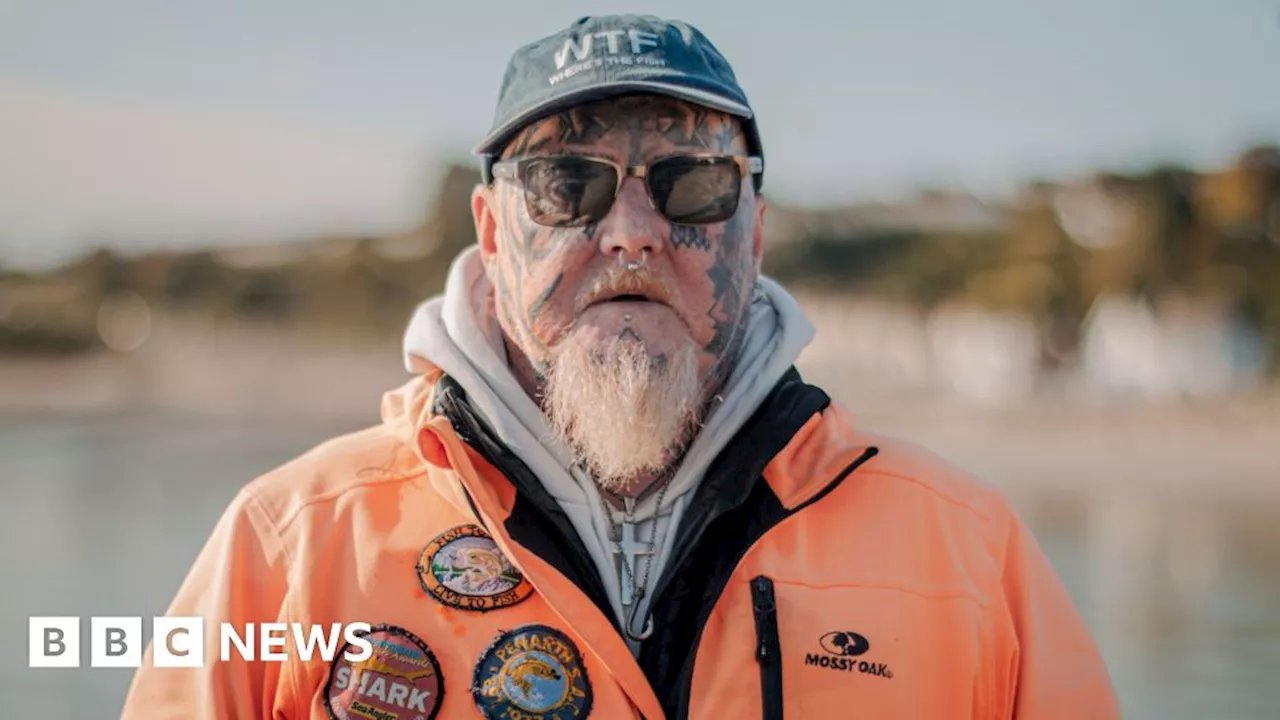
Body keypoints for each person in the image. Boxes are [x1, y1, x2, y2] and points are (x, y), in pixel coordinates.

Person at [121, 13, 1119, 720]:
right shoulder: (282, 549)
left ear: (755, 230)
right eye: (567, 184)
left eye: (691, 187)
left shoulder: (968, 557)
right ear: (491, 231)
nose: (633, 234)